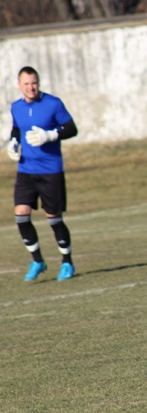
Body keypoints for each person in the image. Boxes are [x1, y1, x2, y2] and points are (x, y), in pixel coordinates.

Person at [7, 66, 79, 281]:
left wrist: (51, 135)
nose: (31, 87)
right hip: (26, 170)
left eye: (34, 82)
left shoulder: (53, 104)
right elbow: (17, 128)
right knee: (21, 216)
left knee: (54, 219)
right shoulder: (16, 107)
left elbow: (71, 128)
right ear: (19, 86)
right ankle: (37, 260)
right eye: (27, 84)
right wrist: (13, 142)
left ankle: (67, 263)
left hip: (51, 171)